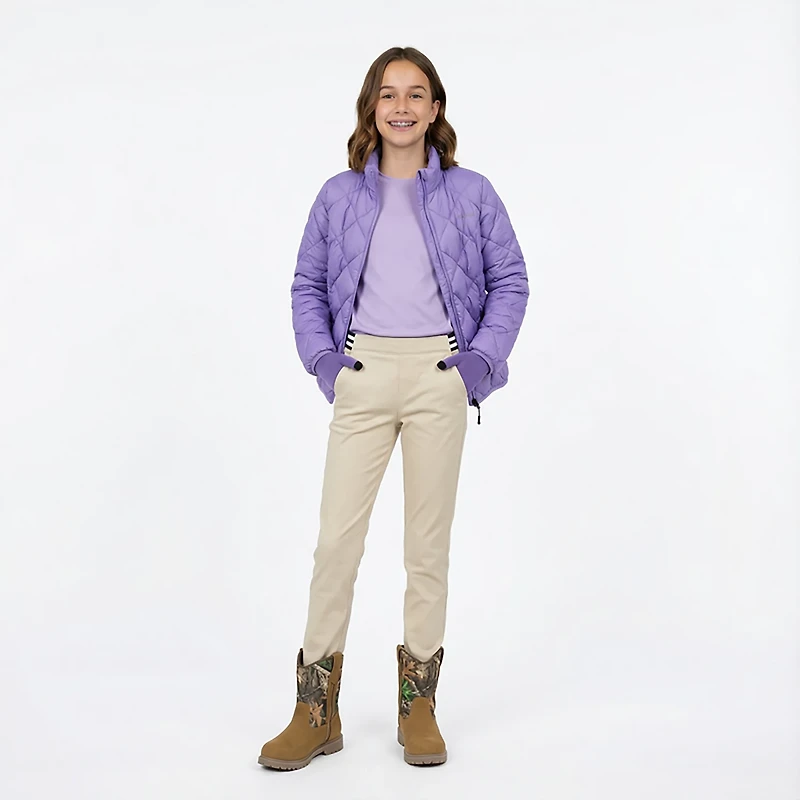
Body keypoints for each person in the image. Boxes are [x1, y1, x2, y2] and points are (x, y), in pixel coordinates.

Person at [259, 46, 529, 771]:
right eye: (388, 94)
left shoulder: (472, 193)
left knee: (426, 550)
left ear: (435, 108)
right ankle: (315, 711)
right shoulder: (338, 196)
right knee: (335, 546)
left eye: (415, 94)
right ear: (371, 107)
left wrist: (479, 362)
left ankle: (419, 708)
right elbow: (307, 284)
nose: (401, 106)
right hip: (363, 373)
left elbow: (510, 279)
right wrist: (324, 361)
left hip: (441, 373)